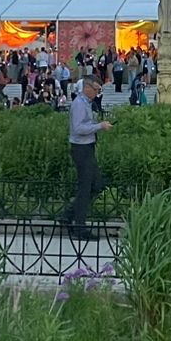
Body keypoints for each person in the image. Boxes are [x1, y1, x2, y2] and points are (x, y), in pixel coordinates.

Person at [67, 76, 112, 240]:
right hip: (81, 148)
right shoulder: (79, 104)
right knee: (85, 187)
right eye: (95, 88)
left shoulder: (86, 103)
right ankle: (79, 227)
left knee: (96, 184)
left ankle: (69, 215)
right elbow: (78, 128)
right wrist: (99, 126)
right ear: (86, 87)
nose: (97, 92)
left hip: (87, 146)